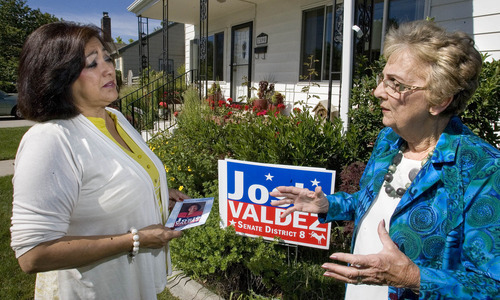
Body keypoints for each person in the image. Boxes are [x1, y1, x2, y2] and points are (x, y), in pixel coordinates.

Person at [271, 20, 499, 299]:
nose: (378, 91)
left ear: (439, 100)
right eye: (383, 78)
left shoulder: (483, 169)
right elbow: (371, 201)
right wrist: (329, 204)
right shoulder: (389, 140)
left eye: (396, 84)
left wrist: (411, 278)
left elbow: (491, 286)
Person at [10, 22, 189, 299]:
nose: (108, 69)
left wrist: (158, 196)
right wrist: (135, 240)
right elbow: (33, 254)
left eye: (107, 58)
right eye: (92, 64)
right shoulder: (52, 139)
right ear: (58, 76)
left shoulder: (115, 118)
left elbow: (112, 188)